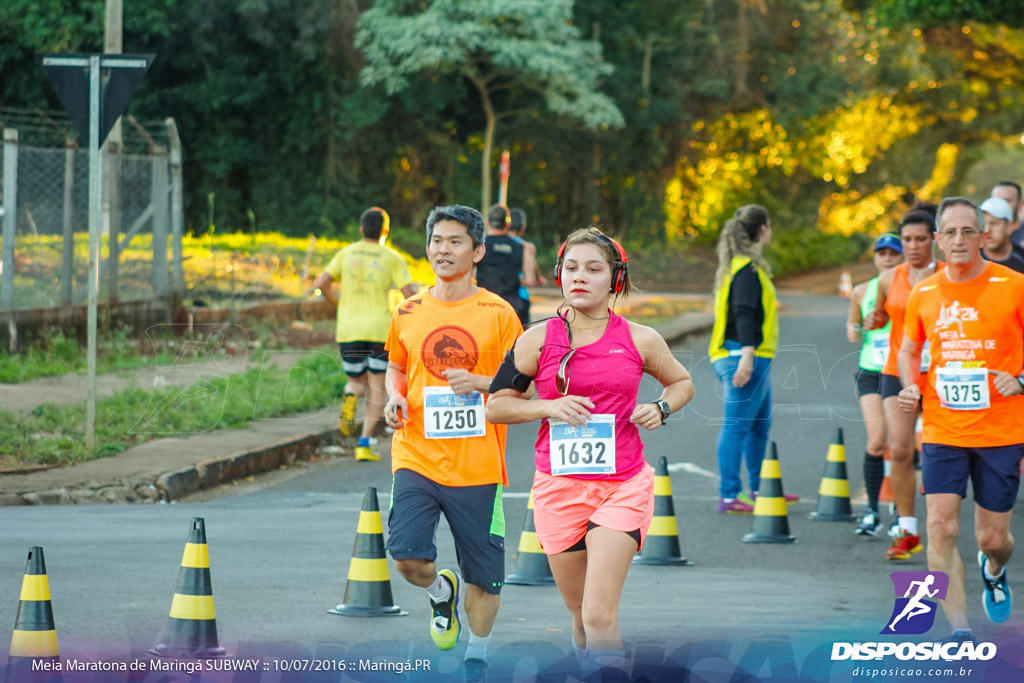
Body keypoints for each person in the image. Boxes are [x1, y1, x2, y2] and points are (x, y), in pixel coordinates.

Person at [486, 227, 694, 676]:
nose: (580, 278)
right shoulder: (536, 339)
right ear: (559, 275)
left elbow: (682, 383)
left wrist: (661, 407)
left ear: (615, 280)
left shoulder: (641, 339)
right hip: (558, 489)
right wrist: (547, 406)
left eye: (594, 269)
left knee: (600, 615)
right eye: (572, 268)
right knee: (580, 617)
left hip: (622, 487)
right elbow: (496, 405)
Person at [382, 205, 522, 673]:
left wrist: (481, 383)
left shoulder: (499, 314)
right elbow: (397, 367)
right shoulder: (407, 310)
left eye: (455, 241)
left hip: (479, 464)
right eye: (437, 240)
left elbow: (523, 383)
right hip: (416, 453)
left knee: (485, 579)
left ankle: (477, 658)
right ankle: (441, 593)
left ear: (478, 250)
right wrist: (394, 398)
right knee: (406, 558)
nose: (444, 249)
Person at [896, 196, 1024, 641]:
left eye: (968, 231)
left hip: (1002, 429)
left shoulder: (1013, 286)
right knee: (940, 525)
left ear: (984, 236)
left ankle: (994, 567)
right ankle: (960, 630)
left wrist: (1021, 379)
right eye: (949, 232)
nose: (959, 240)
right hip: (942, 428)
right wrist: (911, 383)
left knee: (992, 538)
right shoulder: (925, 292)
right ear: (937, 240)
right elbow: (909, 348)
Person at [864, 203, 944, 560]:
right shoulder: (887, 278)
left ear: (934, 240)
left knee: (943, 452)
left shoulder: (948, 276)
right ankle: (908, 531)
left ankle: (944, 525)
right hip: (897, 371)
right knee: (898, 449)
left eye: (920, 239)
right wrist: (873, 318)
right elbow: (881, 315)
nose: (912, 246)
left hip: (942, 372)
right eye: (907, 239)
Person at [708, 205, 794, 513]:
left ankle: (760, 489)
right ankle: (730, 495)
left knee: (758, 426)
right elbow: (744, 315)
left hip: (747, 356)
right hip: (741, 356)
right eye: (768, 226)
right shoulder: (745, 271)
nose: (770, 231)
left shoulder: (740, 266)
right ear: (762, 231)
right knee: (737, 427)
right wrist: (746, 357)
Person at [314, 207, 418, 461]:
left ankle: (350, 395)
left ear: (361, 229)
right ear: (385, 230)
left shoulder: (345, 253)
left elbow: (321, 283)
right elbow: (410, 294)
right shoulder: (392, 257)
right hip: (380, 330)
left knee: (356, 381)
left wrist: (340, 304)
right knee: (376, 387)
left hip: (348, 328)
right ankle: (364, 443)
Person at [846, 233, 904, 536]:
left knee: (900, 444)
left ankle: (899, 509)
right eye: (881, 253)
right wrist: (856, 328)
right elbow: (852, 326)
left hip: (902, 372)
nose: (887, 259)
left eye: (893, 254)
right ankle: (871, 511)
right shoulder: (860, 291)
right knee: (876, 441)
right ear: (875, 257)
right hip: (871, 371)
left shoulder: (913, 288)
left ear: (902, 257)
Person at [476, 204, 528, 324]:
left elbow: (472, 275)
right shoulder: (519, 247)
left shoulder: (480, 247)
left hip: (485, 304)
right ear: (508, 224)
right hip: (512, 305)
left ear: (487, 222)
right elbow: (528, 279)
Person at [508, 207, 547, 324]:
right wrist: (539, 279)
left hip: (494, 296)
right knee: (524, 335)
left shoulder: (490, 244)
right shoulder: (525, 247)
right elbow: (532, 278)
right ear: (523, 228)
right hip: (518, 297)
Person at [978, 196, 1024, 274]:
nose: (987, 230)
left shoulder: (1021, 258)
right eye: (983, 224)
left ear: (1009, 227)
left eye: (994, 223)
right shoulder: (972, 259)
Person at [989, 181, 1024, 249]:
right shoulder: (982, 234)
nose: (1001, 205)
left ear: (1020, 205)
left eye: (1007, 201)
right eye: (997, 201)